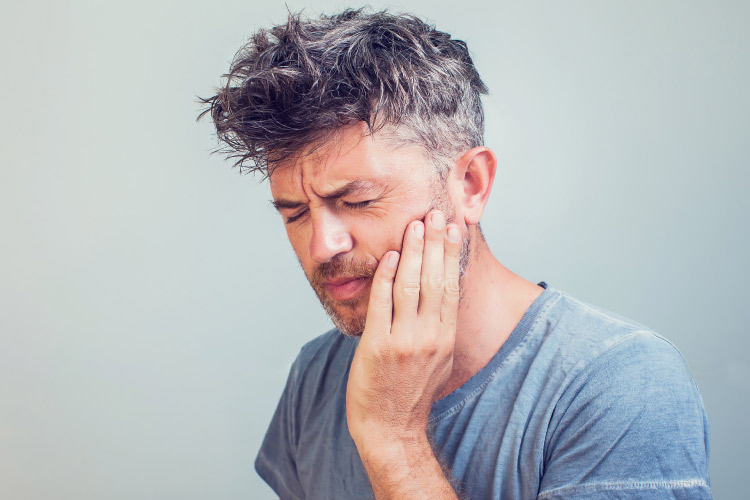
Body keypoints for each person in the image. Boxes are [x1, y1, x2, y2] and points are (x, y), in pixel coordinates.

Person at [200, 8, 712, 500]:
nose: (321, 244)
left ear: (470, 184)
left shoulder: (620, 384)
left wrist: (393, 439)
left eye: (357, 200)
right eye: (294, 214)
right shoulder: (316, 373)